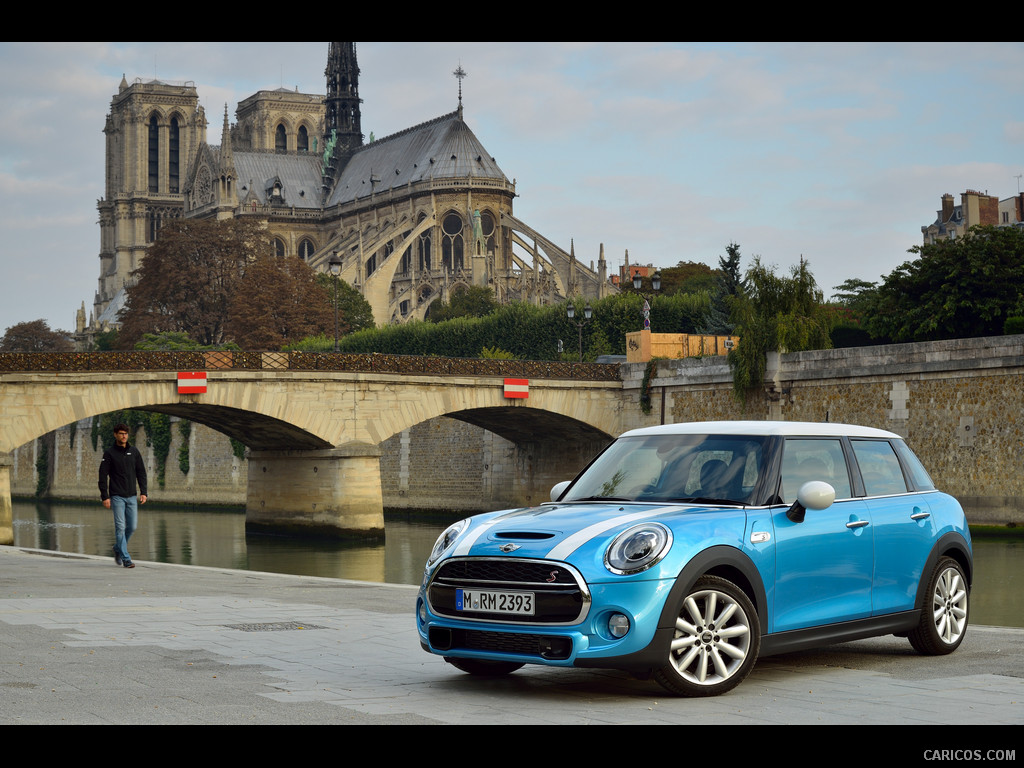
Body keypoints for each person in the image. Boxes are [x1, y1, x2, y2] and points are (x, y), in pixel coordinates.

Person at [98, 423, 148, 568]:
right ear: (115, 434)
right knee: (120, 527)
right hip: (116, 496)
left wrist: (143, 492)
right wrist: (105, 496)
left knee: (132, 527)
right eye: (121, 433)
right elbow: (102, 476)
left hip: (132, 496)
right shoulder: (109, 453)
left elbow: (141, 473)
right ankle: (126, 559)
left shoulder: (134, 452)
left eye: (125, 433)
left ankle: (117, 548)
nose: (124, 436)